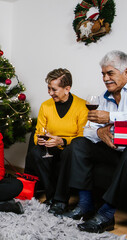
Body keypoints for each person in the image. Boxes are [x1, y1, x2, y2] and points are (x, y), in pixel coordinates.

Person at [61, 50, 127, 233]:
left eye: (110, 73)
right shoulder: (104, 96)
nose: (105, 78)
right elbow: (88, 129)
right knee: (79, 144)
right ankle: (85, 205)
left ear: (126, 72)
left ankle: (106, 215)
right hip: (114, 150)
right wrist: (99, 132)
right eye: (103, 74)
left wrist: (111, 117)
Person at [30, 68, 88, 215]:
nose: (50, 93)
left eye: (54, 89)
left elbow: (83, 137)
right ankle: (51, 197)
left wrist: (62, 141)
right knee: (36, 151)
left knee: (70, 151)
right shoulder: (46, 106)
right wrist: (42, 140)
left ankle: (61, 201)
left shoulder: (82, 106)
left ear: (67, 88)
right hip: (51, 146)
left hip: (69, 147)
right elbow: (38, 133)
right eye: (48, 88)